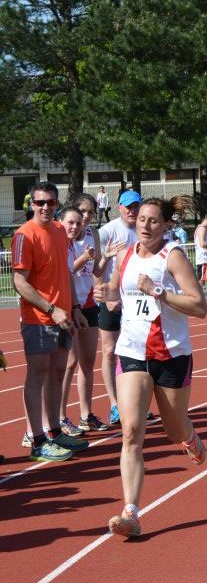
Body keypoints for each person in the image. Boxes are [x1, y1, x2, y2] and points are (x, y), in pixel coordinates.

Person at [94, 197, 207, 538]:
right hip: (131, 352)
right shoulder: (126, 255)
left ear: (166, 225)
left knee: (173, 431)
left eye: (153, 220)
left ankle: (189, 436)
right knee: (131, 431)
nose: (145, 225)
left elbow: (199, 306)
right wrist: (105, 293)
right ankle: (131, 511)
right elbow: (116, 295)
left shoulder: (173, 256)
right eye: (142, 219)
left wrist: (158, 291)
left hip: (170, 354)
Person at [11, 181, 91, 462]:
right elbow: (19, 282)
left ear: (57, 204)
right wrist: (51, 308)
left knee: (57, 373)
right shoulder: (24, 235)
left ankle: (55, 431)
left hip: (64, 316)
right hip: (39, 318)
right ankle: (37, 440)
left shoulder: (59, 231)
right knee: (38, 375)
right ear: (31, 204)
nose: (45, 207)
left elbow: (66, 272)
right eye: (40, 202)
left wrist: (75, 307)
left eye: (51, 202)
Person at [58, 196, 110, 434]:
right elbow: (68, 270)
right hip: (69, 303)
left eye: (90, 212)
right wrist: (85, 257)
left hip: (88, 301)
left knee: (88, 361)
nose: (86, 217)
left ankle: (86, 415)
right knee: (69, 363)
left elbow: (96, 269)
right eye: (82, 212)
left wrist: (106, 258)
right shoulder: (63, 236)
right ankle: (60, 417)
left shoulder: (93, 234)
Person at [97, 190, 142, 425]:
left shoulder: (143, 229)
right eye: (128, 206)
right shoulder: (107, 231)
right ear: (119, 208)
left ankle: (134, 402)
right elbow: (95, 267)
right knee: (109, 351)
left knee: (136, 351)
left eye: (136, 206)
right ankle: (115, 405)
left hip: (135, 299)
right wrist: (105, 296)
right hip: (111, 299)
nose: (132, 211)